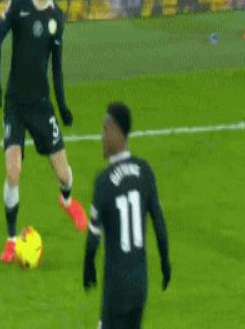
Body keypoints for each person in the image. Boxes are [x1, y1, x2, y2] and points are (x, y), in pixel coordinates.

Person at [0, 0, 87, 263]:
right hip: (16, 105)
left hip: (42, 107)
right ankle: (10, 239)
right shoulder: (19, 3)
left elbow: (56, 68)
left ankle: (67, 200)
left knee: (64, 175)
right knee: (13, 171)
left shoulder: (56, 18)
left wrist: (63, 106)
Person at [83, 103, 171, 328]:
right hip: (139, 285)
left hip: (116, 288)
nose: (102, 137)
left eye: (105, 130)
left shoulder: (104, 181)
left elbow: (93, 237)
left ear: (116, 131)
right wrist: (165, 262)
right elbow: (160, 226)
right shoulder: (145, 171)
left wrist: (88, 267)